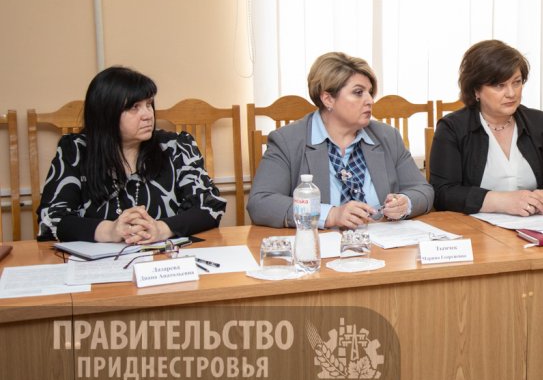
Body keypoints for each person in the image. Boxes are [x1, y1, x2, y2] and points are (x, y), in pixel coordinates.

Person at [37, 67, 225, 243]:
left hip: (167, 260)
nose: (148, 115)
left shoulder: (177, 146)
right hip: (101, 264)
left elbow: (209, 206)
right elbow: (51, 218)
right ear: (106, 113)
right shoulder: (76, 150)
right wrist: (109, 231)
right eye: (134, 107)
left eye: (149, 104)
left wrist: (161, 229)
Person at [247, 52, 433, 228]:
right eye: (358, 92)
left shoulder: (387, 136)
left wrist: (405, 203)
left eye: (370, 92)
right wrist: (329, 214)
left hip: (383, 242)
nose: (370, 100)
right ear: (328, 99)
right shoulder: (287, 140)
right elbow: (261, 202)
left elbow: (422, 190)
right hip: (321, 245)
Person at [429, 40, 543, 215]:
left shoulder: (539, 123)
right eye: (499, 85)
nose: (511, 93)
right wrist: (501, 202)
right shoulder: (452, 128)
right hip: (475, 228)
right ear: (476, 90)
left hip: (534, 224)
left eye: (516, 82)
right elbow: (443, 193)